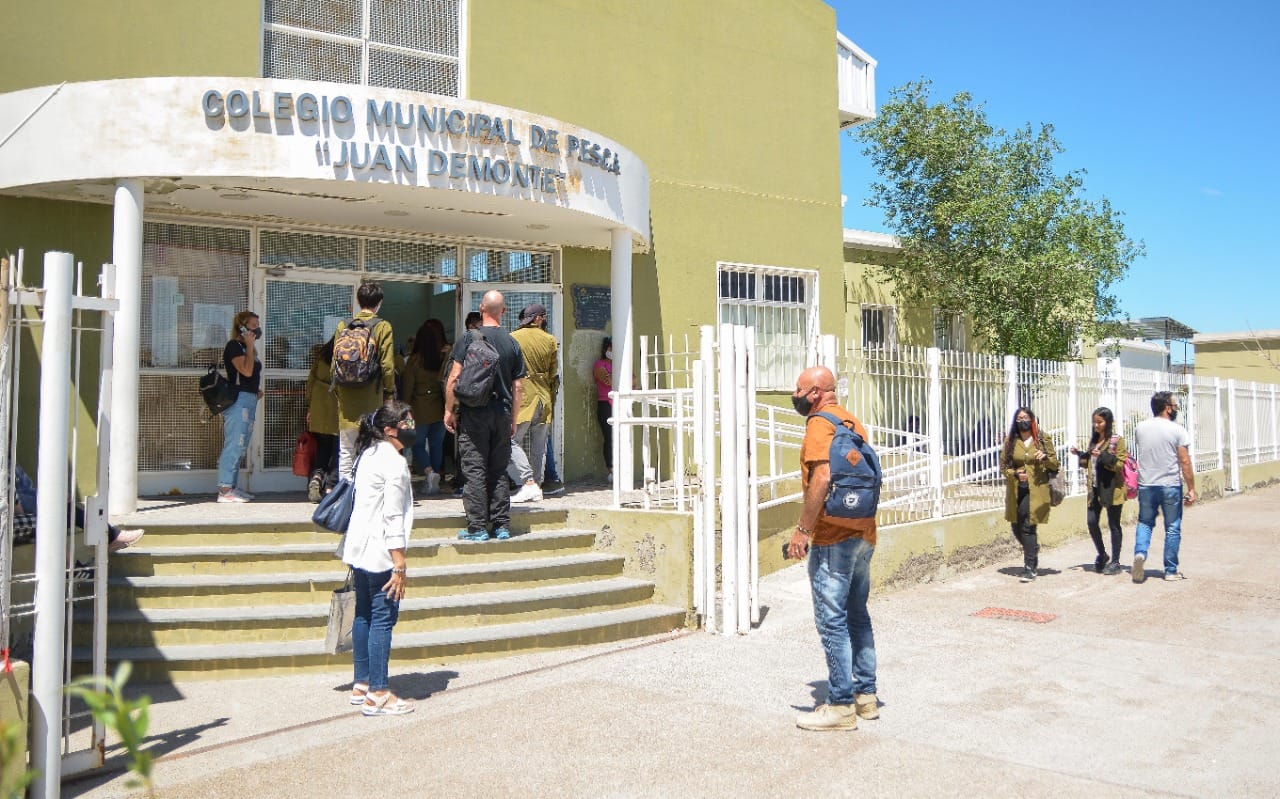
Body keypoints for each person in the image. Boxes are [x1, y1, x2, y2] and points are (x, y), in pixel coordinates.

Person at [787, 366, 879, 732]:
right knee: (858, 614)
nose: (794, 394)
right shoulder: (852, 423)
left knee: (832, 620)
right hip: (865, 533)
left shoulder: (819, 425)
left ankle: (840, 705)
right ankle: (865, 697)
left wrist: (803, 530)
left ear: (813, 393)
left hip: (832, 537)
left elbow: (823, 477)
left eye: (797, 389)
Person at [339, 401, 415, 716]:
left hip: (358, 547)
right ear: (389, 429)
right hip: (381, 552)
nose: (412, 426)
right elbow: (392, 515)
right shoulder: (394, 464)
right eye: (406, 421)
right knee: (382, 619)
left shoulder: (366, 455)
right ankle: (379, 692)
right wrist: (399, 563)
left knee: (364, 615)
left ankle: (362, 683)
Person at [444, 291, 526, 541]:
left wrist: (449, 410)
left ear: (481, 309)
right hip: (501, 412)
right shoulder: (512, 343)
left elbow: (454, 378)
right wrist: (513, 418)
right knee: (498, 469)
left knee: (474, 469)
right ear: (504, 310)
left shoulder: (468, 338)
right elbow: (518, 387)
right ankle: (501, 525)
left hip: (473, 413)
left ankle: (477, 527)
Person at [334, 282, 397, 480]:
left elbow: (333, 365)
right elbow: (387, 366)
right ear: (379, 303)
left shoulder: (343, 325)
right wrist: (389, 393)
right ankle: (368, 495)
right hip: (372, 398)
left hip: (346, 398)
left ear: (357, 301)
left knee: (346, 451)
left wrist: (339, 391)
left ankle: (344, 495)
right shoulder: (382, 326)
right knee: (372, 452)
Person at [1132, 391, 1196, 583]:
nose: (1176, 409)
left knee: (1145, 522)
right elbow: (1184, 461)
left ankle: (1140, 553)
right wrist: (1191, 488)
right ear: (1167, 408)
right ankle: (1170, 570)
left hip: (1146, 484)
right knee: (1173, 528)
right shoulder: (1177, 430)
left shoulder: (1140, 428)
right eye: (1174, 406)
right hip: (1170, 485)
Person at [11, 463, 143, 552]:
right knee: (60, 515)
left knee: (65, 511)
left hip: (29, 517)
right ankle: (111, 536)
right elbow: (18, 503)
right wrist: (53, 498)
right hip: (18, 523)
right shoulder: (4, 470)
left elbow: (28, 490)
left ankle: (111, 536)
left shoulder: (13, 464)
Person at [1000, 406, 1058, 582]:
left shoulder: (1042, 439)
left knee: (1028, 525)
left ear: (1032, 420)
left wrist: (1045, 458)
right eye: (1019, 419)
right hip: (1017, 490)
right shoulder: (1010, 441)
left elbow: (1055, 465)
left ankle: (1030, 567)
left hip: (1037, 490)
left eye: (1025, 418)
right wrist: (1015, 474)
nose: (1022, 421)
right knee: (1015, 526)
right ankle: (1032, 548)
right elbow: (1003, 467)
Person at [509, 304, 559, 503]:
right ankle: (536, 485)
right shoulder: (550, 340)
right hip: (544, 397)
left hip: (523, 397)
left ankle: (526, 481)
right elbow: (554, 373)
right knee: (540, 447)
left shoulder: (513, 337)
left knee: (510, 441)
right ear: (539, 319)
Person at [1070, 407, 1128, 575]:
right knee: (1092, 522)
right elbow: (1089, 462)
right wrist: (1080, 454)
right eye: (1094, 422)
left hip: (1112, 489)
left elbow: (1119, 465)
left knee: (1113, 524)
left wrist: (1102, 456)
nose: (1096, 425)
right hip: (1094, 489)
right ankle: (1102, 555)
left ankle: (1115, 561)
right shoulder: (1094, 440)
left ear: (1108, 422)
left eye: (1100, 422)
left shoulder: (1117, 441)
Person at [401, 319, 451, 496]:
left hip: (419, 409)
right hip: (441, 408)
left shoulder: (415, 361)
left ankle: (429, 473)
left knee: (417, 444)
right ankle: (436, 474)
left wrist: (405, 411)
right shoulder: (445, 357)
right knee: (437, 444)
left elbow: (407, 389)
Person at [217, 310, 263, 503]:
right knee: (234, 443)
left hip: (249, 398)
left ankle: (232, 486)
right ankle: (224, 489)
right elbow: (246, 369)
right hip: (238, 400)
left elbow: (250, 375)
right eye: (254, 325)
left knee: (242, 444)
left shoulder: (248, 348)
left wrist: (255, 390)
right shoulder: (234, 346)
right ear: (242, 326)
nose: (257, 329)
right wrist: (250, 346)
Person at [304, 337, 340, 503]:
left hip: (319, 409)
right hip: (338, 411)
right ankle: (330, 487)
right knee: (338, 451)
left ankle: (317, 478)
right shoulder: (344, 358)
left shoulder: (321, 356)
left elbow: (310, 382)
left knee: (323, 448)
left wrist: (310, 407)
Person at [592, 337, 614, 483]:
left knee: (622, 436)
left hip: (620, 403)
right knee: (610, 437)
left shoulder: (622, 364)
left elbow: (633, 381)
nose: (612, 351)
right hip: (605, 403)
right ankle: (611, 469)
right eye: (610, 348)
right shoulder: (599, 364)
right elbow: (608, 380)